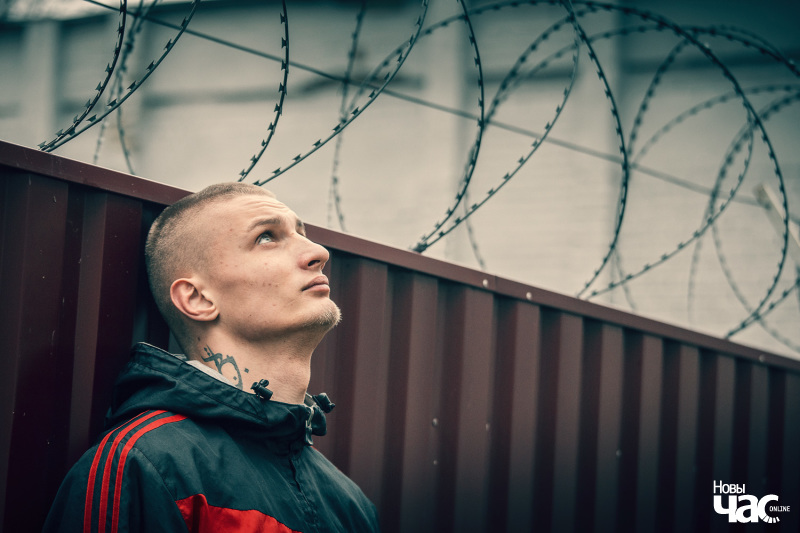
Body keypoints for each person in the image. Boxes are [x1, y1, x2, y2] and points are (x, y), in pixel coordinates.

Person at [43, 182, 380, 532]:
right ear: (197, 299)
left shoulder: (351, 503)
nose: (319, 252)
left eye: (301, 233)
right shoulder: (145, 466)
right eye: (266, 237)